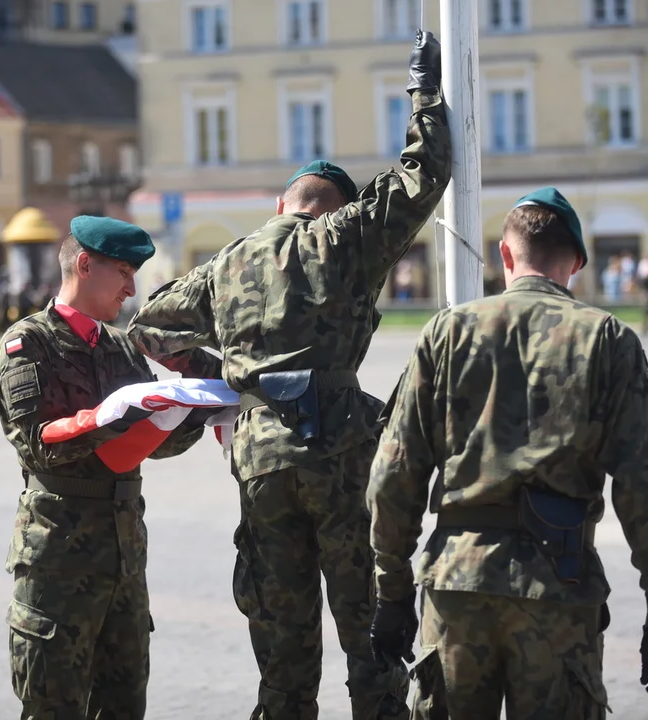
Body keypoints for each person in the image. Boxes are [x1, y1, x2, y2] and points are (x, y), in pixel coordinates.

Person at [127, 31, 448, 720]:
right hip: (341, 454)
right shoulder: (347, 235)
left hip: (261, 459)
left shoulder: (230, 262)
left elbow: (149, 325)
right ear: (335, 205)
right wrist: (424, 88)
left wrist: (231, 378)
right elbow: (424, 174)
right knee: (369, 631)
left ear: (283, 205)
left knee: (283, 643)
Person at [366, 187, 648, 720]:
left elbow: (394, 475)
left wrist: (392, 592)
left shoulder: (446, 333)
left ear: (505, 255)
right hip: (557, 591)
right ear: (576, 265)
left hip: (456, 589)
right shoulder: (606, 341)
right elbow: (647, 489)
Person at [0, 216, 205, 720]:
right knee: (53, 706)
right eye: (124, 272)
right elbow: (38, 444)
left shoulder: (121, 346)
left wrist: (190, 410)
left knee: (124, 706)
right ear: (85, 265)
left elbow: (156, 445)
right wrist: (109, 416)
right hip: (58, 560)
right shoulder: (28, 343)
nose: (132, 287)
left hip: (123, 560)